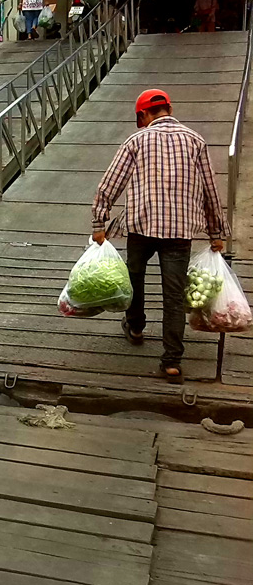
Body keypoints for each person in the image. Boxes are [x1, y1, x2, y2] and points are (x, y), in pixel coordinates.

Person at [91, 89, 228, 383]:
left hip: (140, 227)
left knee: (134, 279)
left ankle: (136, 326)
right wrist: (217, 232)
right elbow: (210, 192)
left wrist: (99, 222)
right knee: (174, 296)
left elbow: (109, 185)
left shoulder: (135, 141)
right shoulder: (196, 141)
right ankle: (172, 361)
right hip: (180, 232)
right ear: (169, 108)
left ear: (143, 115)